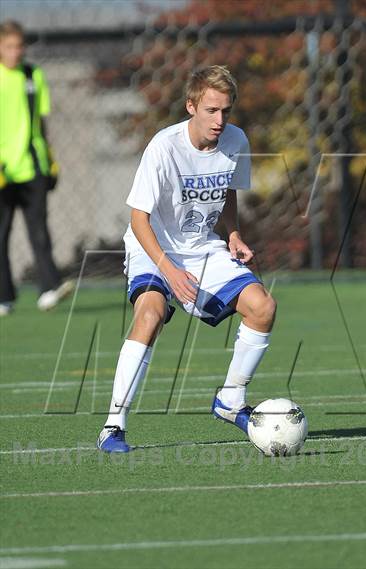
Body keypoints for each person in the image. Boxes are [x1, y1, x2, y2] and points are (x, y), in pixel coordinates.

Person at [97, 65, 276, 453]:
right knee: (151, 314)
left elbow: (227, 192)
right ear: (191, 106)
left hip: (201, 248)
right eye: (211, 110)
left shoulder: (236, 140)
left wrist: (232, 233)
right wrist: (169, 271)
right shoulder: (164, 146)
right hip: (153, 246)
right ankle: (114, 425)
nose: (220, 120)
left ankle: (230, 400)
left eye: (226, 111)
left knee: (262, 307)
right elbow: (138, 218)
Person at [0, 20, 73, 316]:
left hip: (33, 167)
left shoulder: (33, 75)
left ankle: (48, 288)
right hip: (3, 171)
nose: (15, 52)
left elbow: (41, 123)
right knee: (1, 234)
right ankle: (4, 297)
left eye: (20, 46)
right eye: (9, 47)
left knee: (39, 230)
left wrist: (50, 159)